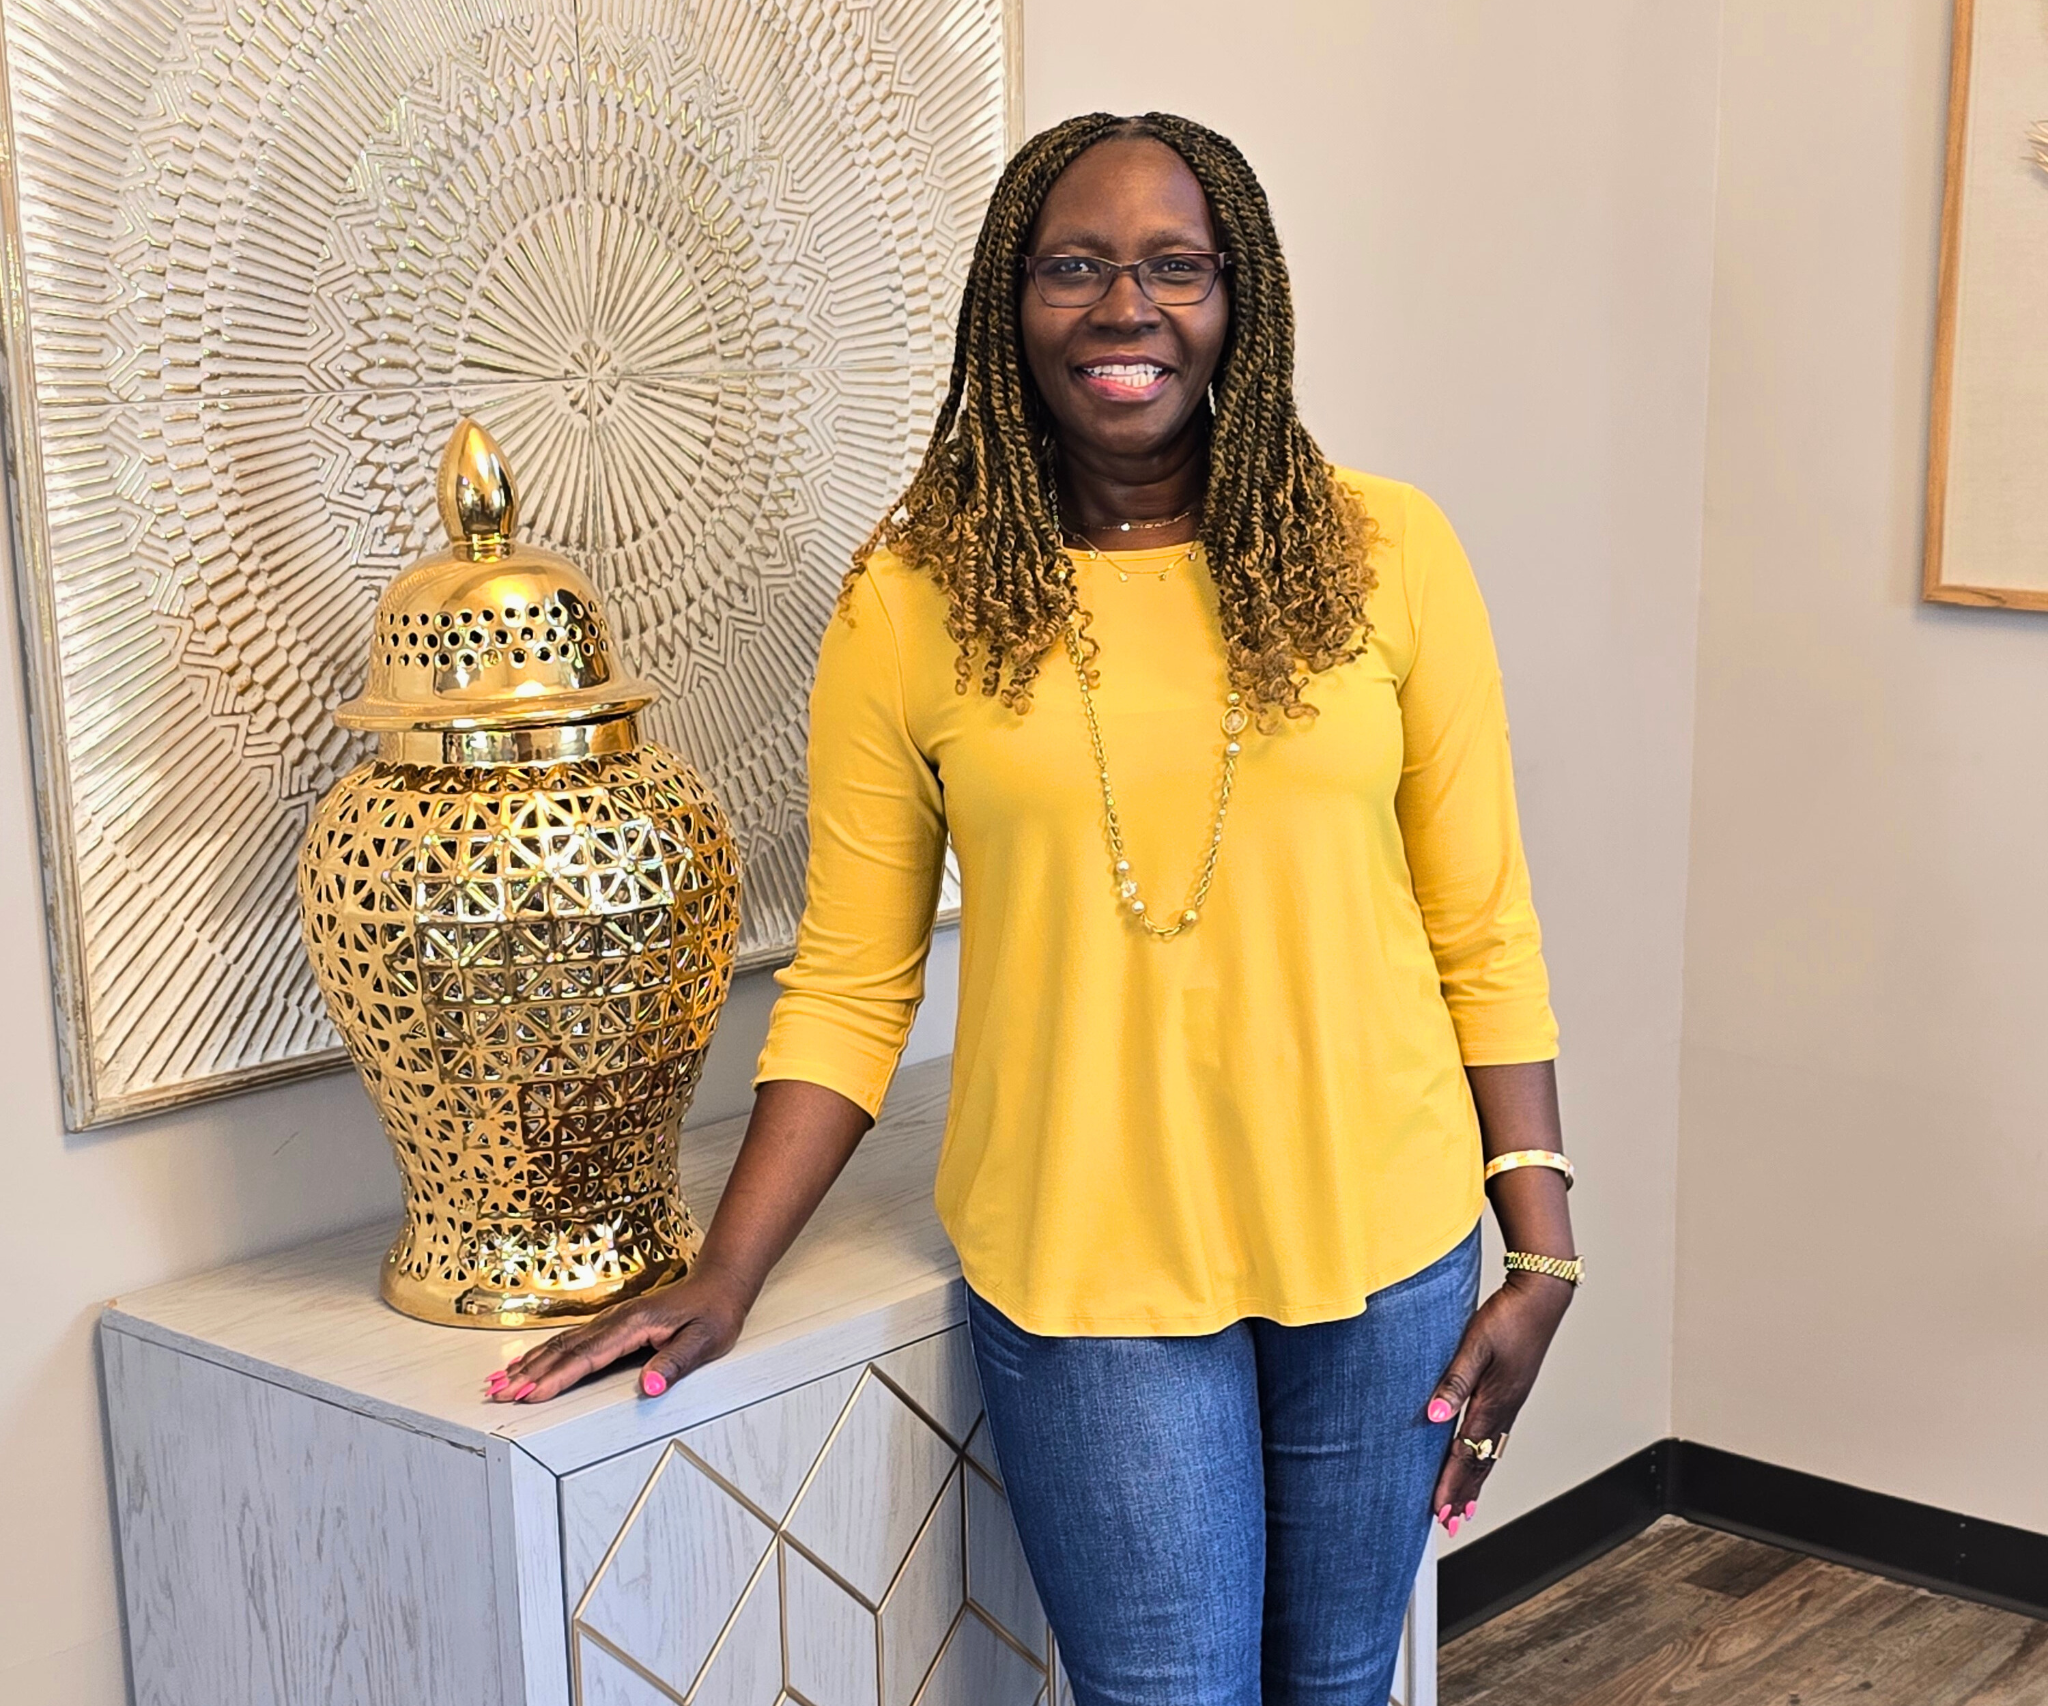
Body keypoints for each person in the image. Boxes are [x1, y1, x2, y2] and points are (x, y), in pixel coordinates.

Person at [488, 110, 1581, 1706]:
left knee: (1342, 1681)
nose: (1125, 309)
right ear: (1011, 300)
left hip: (1383, 1241)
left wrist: (1542, 1245)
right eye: (1075, 267)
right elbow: (855, 981)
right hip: (1087, 1261)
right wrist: (725, 1271)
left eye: (1174, 269)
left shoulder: (1388, 552)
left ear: (1241, 304)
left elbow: (1479, 919)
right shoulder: (911, 595)